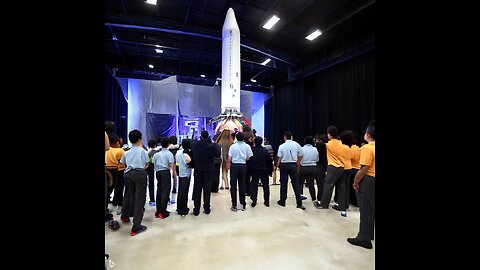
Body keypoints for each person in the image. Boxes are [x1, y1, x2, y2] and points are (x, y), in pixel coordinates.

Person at [348, 120, 375, 249]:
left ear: (368, 134)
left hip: (369, 180)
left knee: (366, 210)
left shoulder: (367, 148)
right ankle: (369, 234)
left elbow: (364, 168)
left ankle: (364, 238)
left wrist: (355, 182)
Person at [119, 130, 149, 236]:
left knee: (128, 194)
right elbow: (146, 164)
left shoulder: (126, 152)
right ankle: (136, 226)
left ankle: (125, 215)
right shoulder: (143, 151)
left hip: (127, 174)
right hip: (139, 174)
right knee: (139, 198)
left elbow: (122, 163)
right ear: (140, 139)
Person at [317, 126, 353, 210]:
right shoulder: (342, 144)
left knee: (328, 185)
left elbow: (320, 145)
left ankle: (324, 204)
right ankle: (342, 206)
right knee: (341, 187)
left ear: (329, 135)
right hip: (342, 167)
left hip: (333, 167)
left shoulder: (328, 144)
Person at [191, 130, 221, 215]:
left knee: (197, 189)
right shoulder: (211, 146)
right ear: (208, 136)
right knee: (207, 189)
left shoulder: (195, 144)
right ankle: (207, 208)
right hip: (208, 170)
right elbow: (217, 154)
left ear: (200, 136)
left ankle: (196, 209)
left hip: (198, 169)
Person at [276, 131, 306, 210]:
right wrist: (297, 162)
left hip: (284, 165)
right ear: (291, 137)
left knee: (283, 183)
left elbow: (279, 157)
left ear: (285, 137)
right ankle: (299, 203)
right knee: (295, 184)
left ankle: (282, 201)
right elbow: (301, 154)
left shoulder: (282, 146)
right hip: (293, 165)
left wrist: (276, 166)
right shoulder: (296, 144)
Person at [227, 132, 253, 211]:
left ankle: (234, 204)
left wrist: (228, 164)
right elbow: (249, 157)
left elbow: (230, 157)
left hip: (234, 166)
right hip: (243, 166)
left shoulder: (232, 146)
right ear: (243, 138)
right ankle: (242, 204)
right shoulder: (247, 146)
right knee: (242, 184)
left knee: (233, 185)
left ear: (236, 138)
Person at [152, 138, 177, 219]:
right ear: (168, 144)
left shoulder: (156, 154)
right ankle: (163, 212)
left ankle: (158, 210)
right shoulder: (169, 154)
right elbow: (171, 165)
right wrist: (174, 175)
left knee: (159, 190)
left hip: (158, 173)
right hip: (165, 173)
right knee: (165, 191)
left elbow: (153, 163)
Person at [249, 136, 272, 207]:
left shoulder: (252, 150)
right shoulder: (265, 150)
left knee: (254, 185)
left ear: (254, 142)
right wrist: (270, 171)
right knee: (265, 185)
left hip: (255, 170)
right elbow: (269, 161)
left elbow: (250, 161)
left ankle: (254, 201)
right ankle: (267, 201)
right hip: (264, 170)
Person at [105, 134, 126, 215]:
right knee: (119, 188)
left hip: (107, 170)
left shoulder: (107, 149)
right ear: (117, 142)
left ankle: (106, 206)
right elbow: (123, 161)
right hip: (118, 170)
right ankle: (119, 206)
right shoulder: (120, 150)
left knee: (108, 189)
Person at [298, 136, 319, 205]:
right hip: (313, 168)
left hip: (303, 167)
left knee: (300, 183)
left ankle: (300, 197)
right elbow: (317, 159)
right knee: (311, 184)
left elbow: (299, 158)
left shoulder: (301, 149)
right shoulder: (315, 149)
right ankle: (313, 198)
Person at [176, 139, 193, 216]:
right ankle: (183, 209)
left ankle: (179, 207)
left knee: (180, 191)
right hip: (186, 174)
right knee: (184, 192)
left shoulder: (178, 152)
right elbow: (190, 163)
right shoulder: (186, 154)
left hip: (180, 172)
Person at [314, 134, 328, 206]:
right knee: (322, 183)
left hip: (319, 165)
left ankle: (320, 199)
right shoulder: (327, 146)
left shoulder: (319, 146)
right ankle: (322, 199)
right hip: (325, 165)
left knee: (320, 183)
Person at [146, 139, 158, 206]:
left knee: (151, 184)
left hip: (150, 168)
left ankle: (152, 199)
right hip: (157, 168)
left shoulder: (148, 153)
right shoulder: (158, 153)